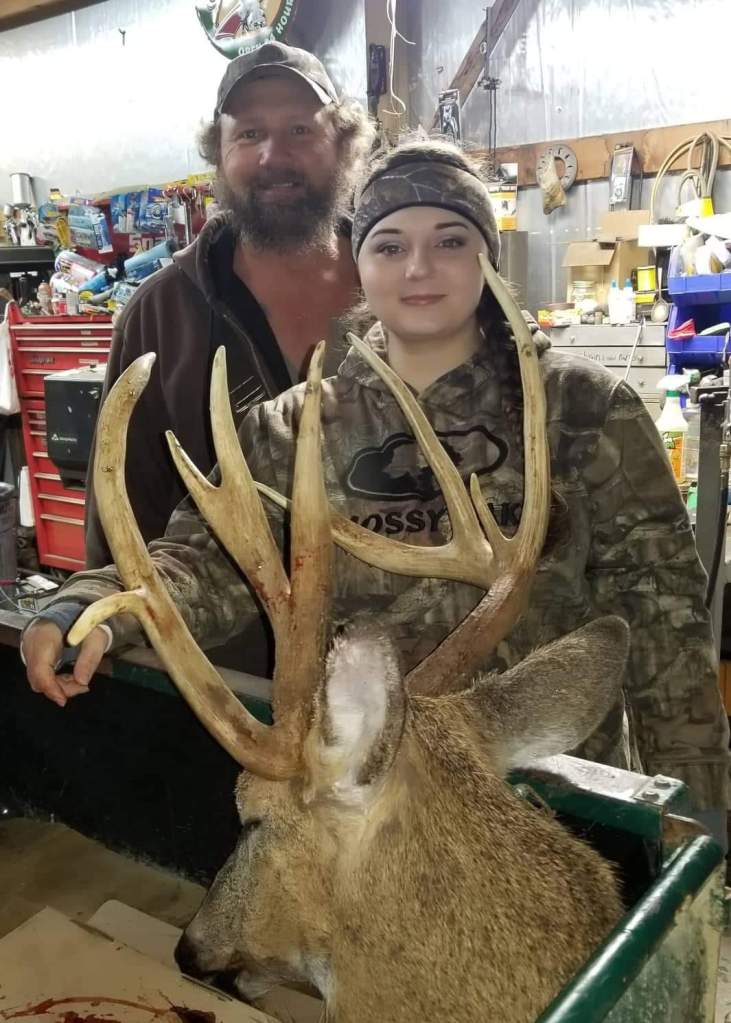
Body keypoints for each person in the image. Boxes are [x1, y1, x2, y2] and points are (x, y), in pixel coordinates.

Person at [23, 139, 729, 845]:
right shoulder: (294, 426)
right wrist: (91, 608)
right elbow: (202, 565)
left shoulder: (582, 410)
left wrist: (696, 820)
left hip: (544, 804)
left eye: (449, 241)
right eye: (389, 246)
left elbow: (665, 627)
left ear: (488, 256)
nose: (418, 268)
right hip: (360, 802)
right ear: (359, 264)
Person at [83, 41, 373, 571]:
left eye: (300, 130)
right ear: (219, 154)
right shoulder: (160, 314)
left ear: (344, 145)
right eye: (249, 134)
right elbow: (121, 500)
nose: (273, 156)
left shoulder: (403, 288)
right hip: (217, 625)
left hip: (408, 620)